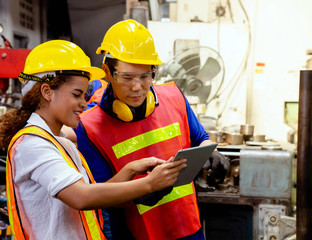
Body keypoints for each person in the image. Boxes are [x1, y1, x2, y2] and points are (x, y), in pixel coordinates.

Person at [0, 39, 186, 240]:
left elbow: (92, 195)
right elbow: (81, 197)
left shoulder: (60, 142)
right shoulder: (31, 144)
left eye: (85, 94)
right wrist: (149, 183)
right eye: (77, 94)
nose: (84, 103)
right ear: (47, 92)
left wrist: (131, 170)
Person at [76, 19, 230, 240]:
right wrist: (139, 193)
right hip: (135, 233)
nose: (137, 87)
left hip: (188, 227)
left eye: (145, 76)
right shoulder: (89, 127)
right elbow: (100, 194)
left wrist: (212, 152)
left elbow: (200, 138)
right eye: (126, 77)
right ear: (107, 73)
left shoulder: (174, 97)